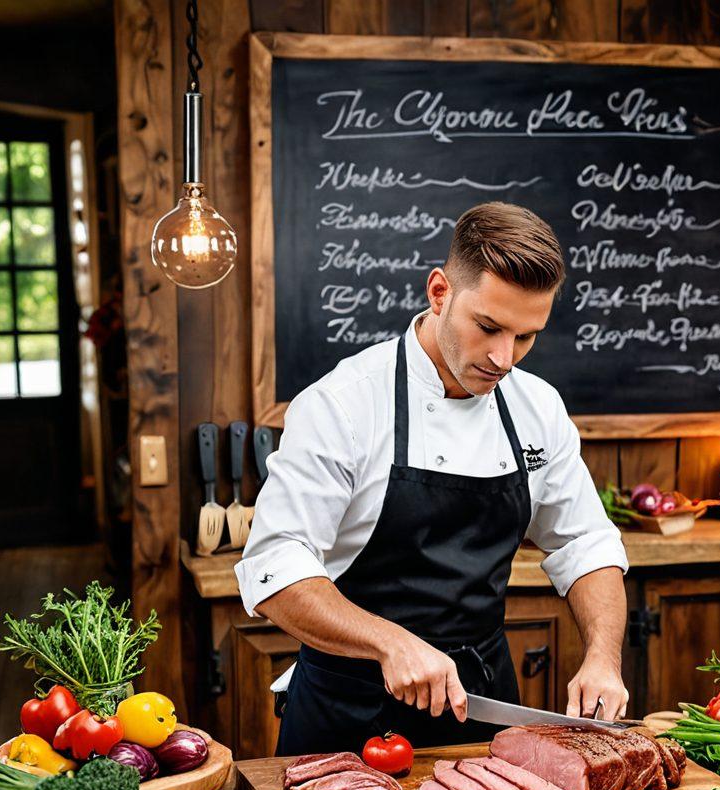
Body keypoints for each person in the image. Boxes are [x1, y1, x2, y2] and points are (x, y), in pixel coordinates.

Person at [235, 201, 629, 755]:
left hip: (481, 708)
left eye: (526, 336)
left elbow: (586, 542)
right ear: (439, 292)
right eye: (489, 327)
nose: (504, 358)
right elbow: (276, 567)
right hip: (348, 718)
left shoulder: (537, 407)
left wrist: (602, 660)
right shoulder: (343, 404)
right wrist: (389, 642)